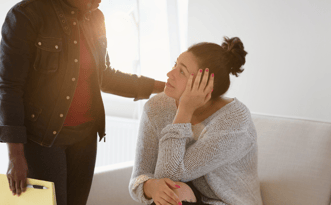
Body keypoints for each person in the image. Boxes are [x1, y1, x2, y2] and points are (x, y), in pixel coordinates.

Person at [0, 0, 165, 204]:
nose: (100, 0)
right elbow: (9, 87)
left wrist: (164, 88)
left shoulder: (96, 17)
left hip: (85, 140)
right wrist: (15, 155)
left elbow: (104, 75)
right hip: (43, 141)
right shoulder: (26, 15)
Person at [129, 36, 263, 205]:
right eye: (175, 65)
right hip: (187, 197)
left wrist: (184, 110)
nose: (169, 74)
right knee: (171, 192)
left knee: (172, 190)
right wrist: (151, 186)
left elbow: (170, 173)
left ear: (205, 86)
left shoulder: (234, 121)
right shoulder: (157, 107)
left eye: (182, 71)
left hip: (225, 202)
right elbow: (139, 177)